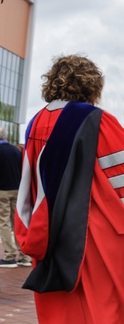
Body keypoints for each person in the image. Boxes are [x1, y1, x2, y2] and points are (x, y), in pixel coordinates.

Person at [15, 55, 124, 322]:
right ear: (91, 85)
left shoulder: (35, 123)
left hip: (48, 232)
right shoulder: (98, 121)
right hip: (93, 236)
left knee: (61, 312)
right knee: (102, 308)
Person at [0, 127, 31, 268]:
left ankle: (9, 256)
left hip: (1, 191)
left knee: (4, 222)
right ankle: (25, 256)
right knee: (18, 222)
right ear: (6, 136)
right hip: (17, 190)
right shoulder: (16, 150)